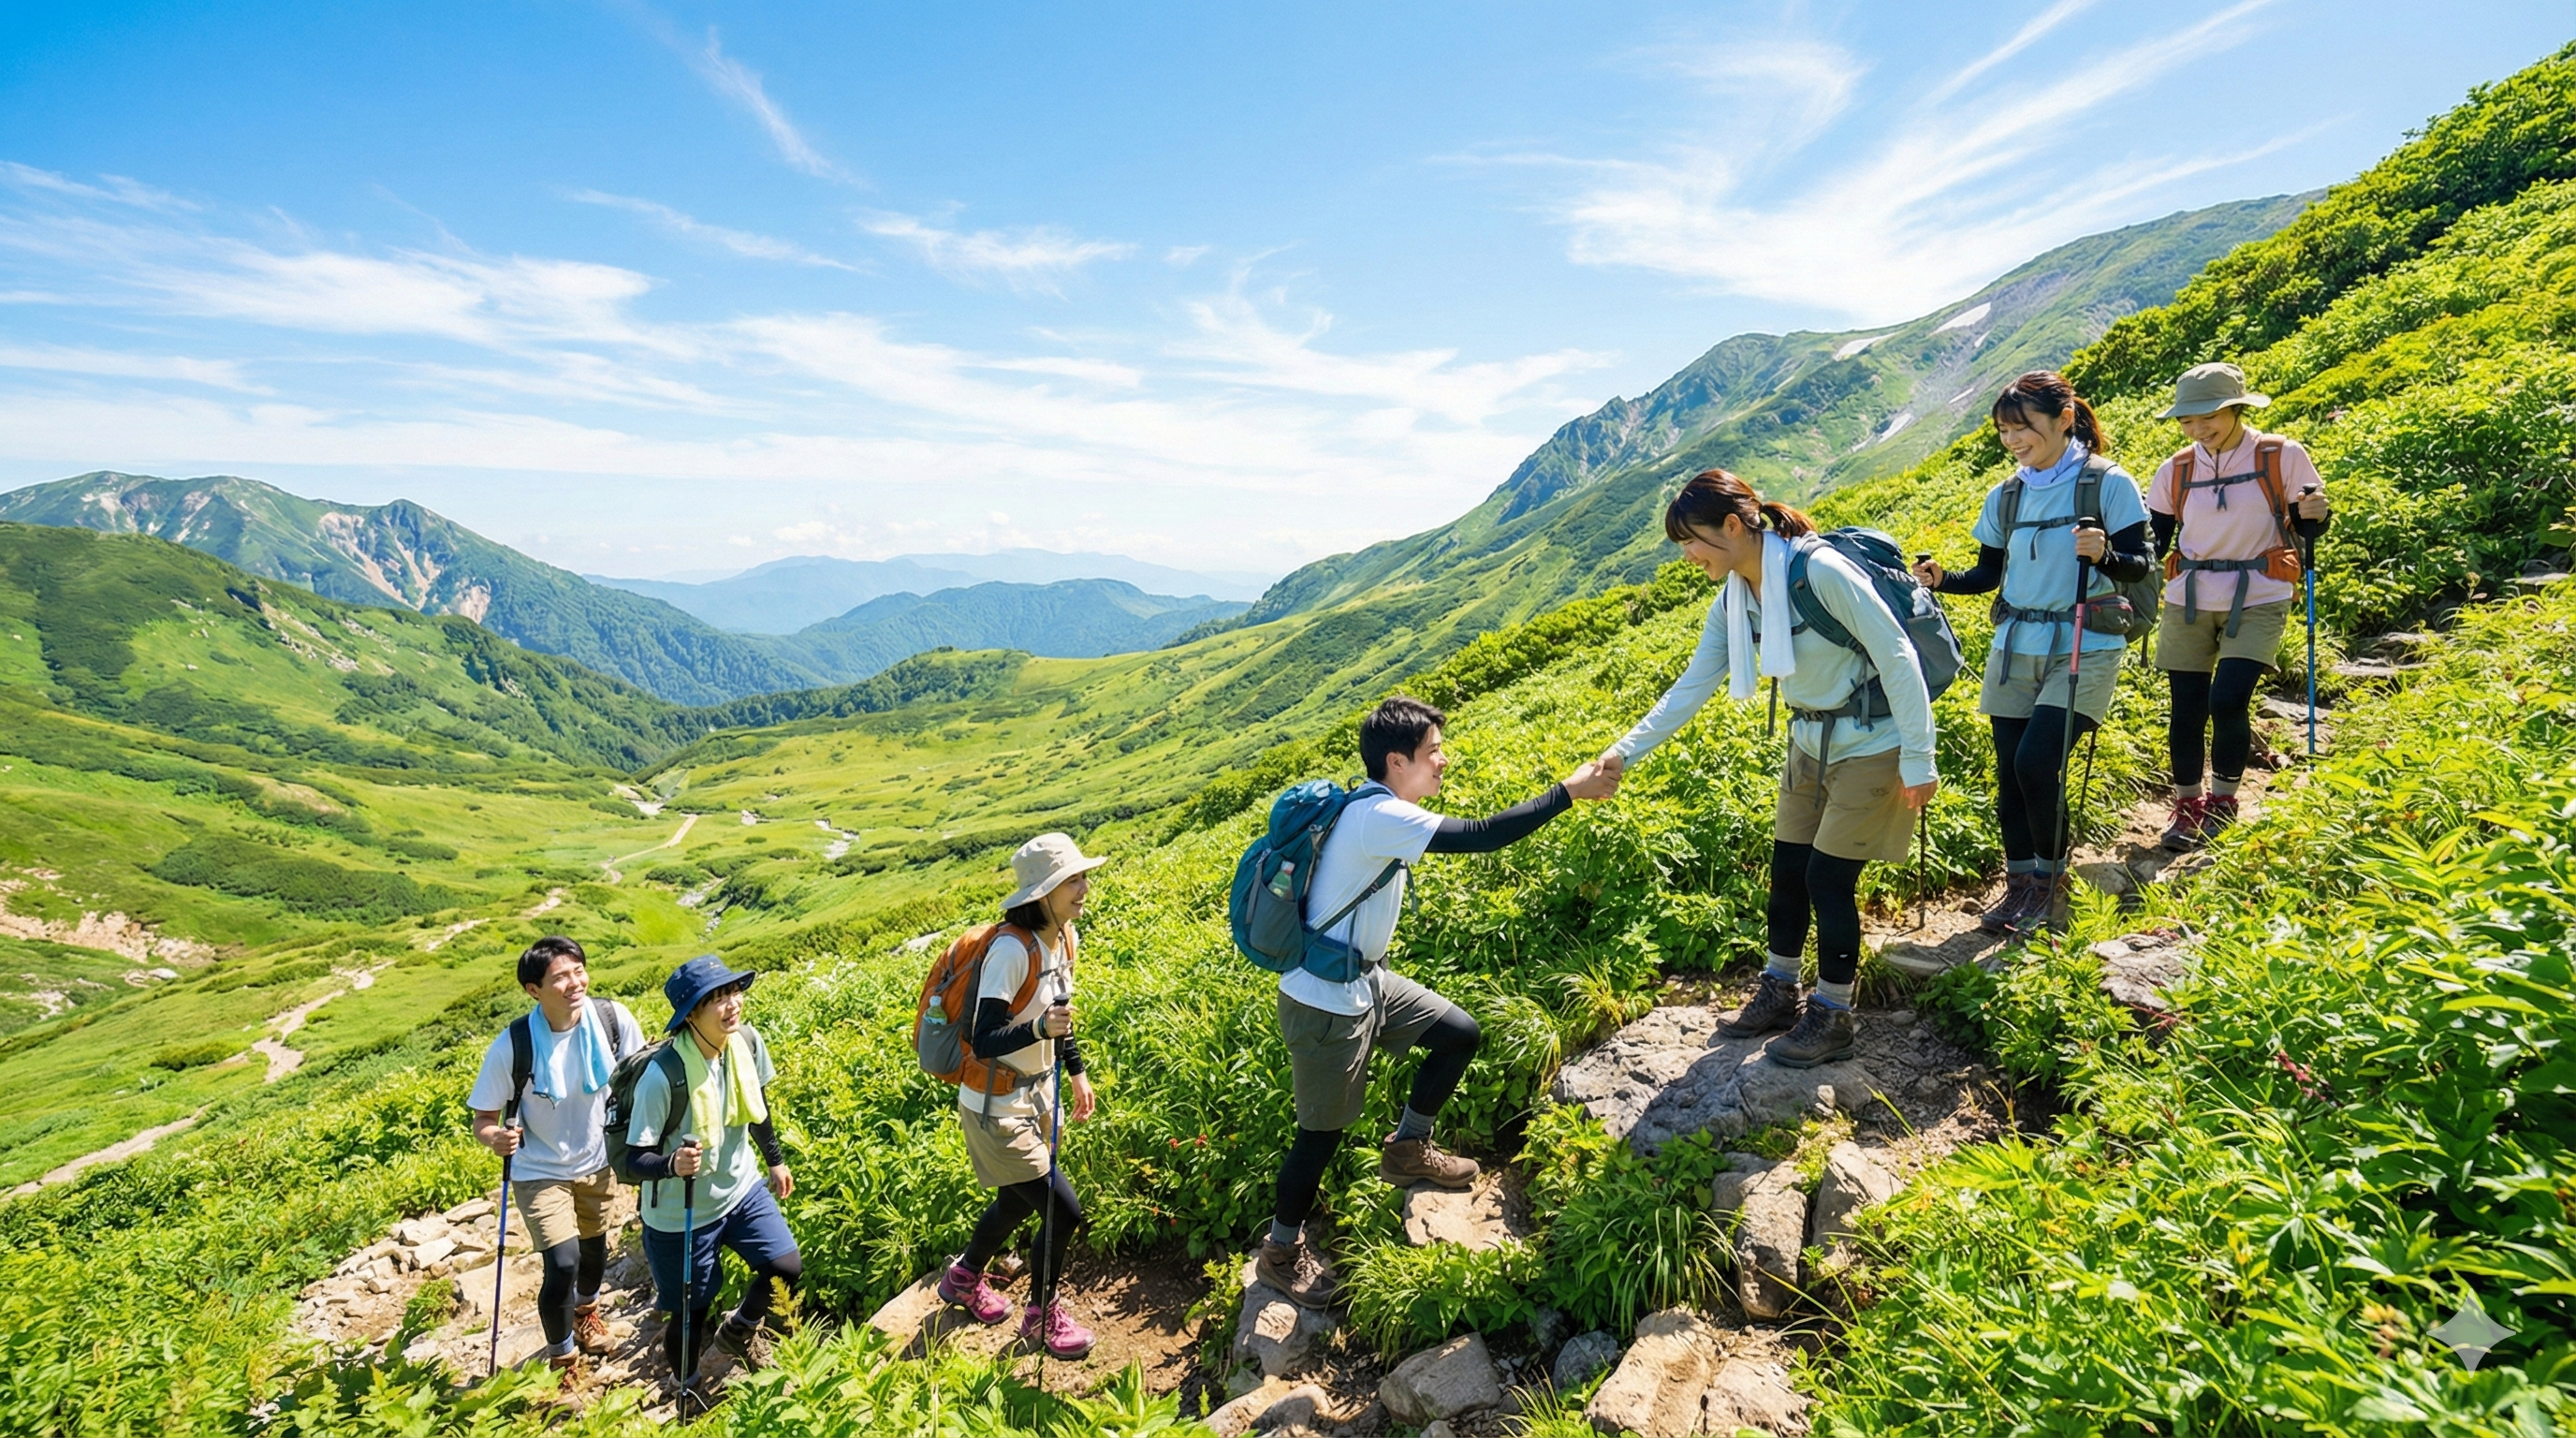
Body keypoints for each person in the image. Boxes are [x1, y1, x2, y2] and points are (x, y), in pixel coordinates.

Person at [1256, 697, 1620, 1308]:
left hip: (1365, 981)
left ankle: (1406, 1149)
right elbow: (1482, 836)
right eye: (1432, 754)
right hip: (1324, 1002)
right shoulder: (1379, 818)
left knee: (1457, 1032)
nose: (1443, 762)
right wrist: (1569, 791)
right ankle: (1280, 1252)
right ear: (1396, 762)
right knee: (1320, 1134)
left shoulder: (1379, 809)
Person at [1599, 469, 1939, 1070]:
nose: (1688, 556)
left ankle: (1834, 1015)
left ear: (1733, 526)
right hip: (1810, 738)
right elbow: (1691, 685)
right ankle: (1780, 990)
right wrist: (1622, 752)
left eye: (1693, 541)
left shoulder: (1821, 572)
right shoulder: (1736, 596)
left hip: (1873, 740)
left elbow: (1897, 653)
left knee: (1827, 880)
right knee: (1788, 871)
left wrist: (1919, 756)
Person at [1913, 372, 2153, 934]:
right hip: (2015, 644)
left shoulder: (2107, 484)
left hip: (2084, 643)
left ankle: (2051, 884)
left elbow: (2142, 563)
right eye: (2004, 431)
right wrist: (1942, 578)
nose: (2014, 441)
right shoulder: (2007, 494)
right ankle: (2019, 884)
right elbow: (1989, 574)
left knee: (2036, 763)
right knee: (2010, 773)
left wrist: (2106, 558)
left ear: (2064, 418)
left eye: (2023, 428)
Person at [933, 833, 1107, 1359]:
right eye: (1071, 880)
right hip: (995, 1105)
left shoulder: (1063, 937)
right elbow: (984, 1039)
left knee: (1016, 1199)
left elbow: (1059, 1015)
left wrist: (1075, 1071)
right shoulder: (1012, 949)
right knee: (1064, 1213)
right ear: (1043, 892)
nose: (1083, 887)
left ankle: (962, 1279)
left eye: (1081, 876)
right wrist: (1040, 1033)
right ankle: (1040, 1316)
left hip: (1036, 1095)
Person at [2145, 362, 2331, 849]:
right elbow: (2154, 540)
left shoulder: (2281, 455)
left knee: (2227, 698)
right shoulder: (2177, 469)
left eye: (2208, 415)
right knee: (2185, 707)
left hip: (2261, 592)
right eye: (2187, 420)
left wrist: (2316, 515)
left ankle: (2223, 801)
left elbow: (2307, 522)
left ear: (2236, 409)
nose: (2198, 428)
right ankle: (2188, 804)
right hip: (2190, 595)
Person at [466, 936, 648, 1374]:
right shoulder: (514, 1044)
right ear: (534, 990)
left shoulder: (612, 1020)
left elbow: (639, 1077)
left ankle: (586, 1316)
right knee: (562, 1261)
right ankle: (561, 1356)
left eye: (579, 970)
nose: (575, 982)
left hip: (597, 1159)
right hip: (539, 1169)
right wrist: (495, 1139)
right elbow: (483, 1119)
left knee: (594, 1253)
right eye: (560, 977)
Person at [625, 955, 800, 1382]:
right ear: (691, 1015)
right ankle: (684, 1386)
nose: (732, 1005)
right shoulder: (662, 1076)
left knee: (785, 1267)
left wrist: (775, 1161)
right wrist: (671, 1163)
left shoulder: (746, 1043)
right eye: (717, 999)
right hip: (679, 1214)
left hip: (740, 1189)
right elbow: (634, 1159)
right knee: (690, 1313)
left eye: (734, 993)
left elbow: (757, 1108)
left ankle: (739, 1328)